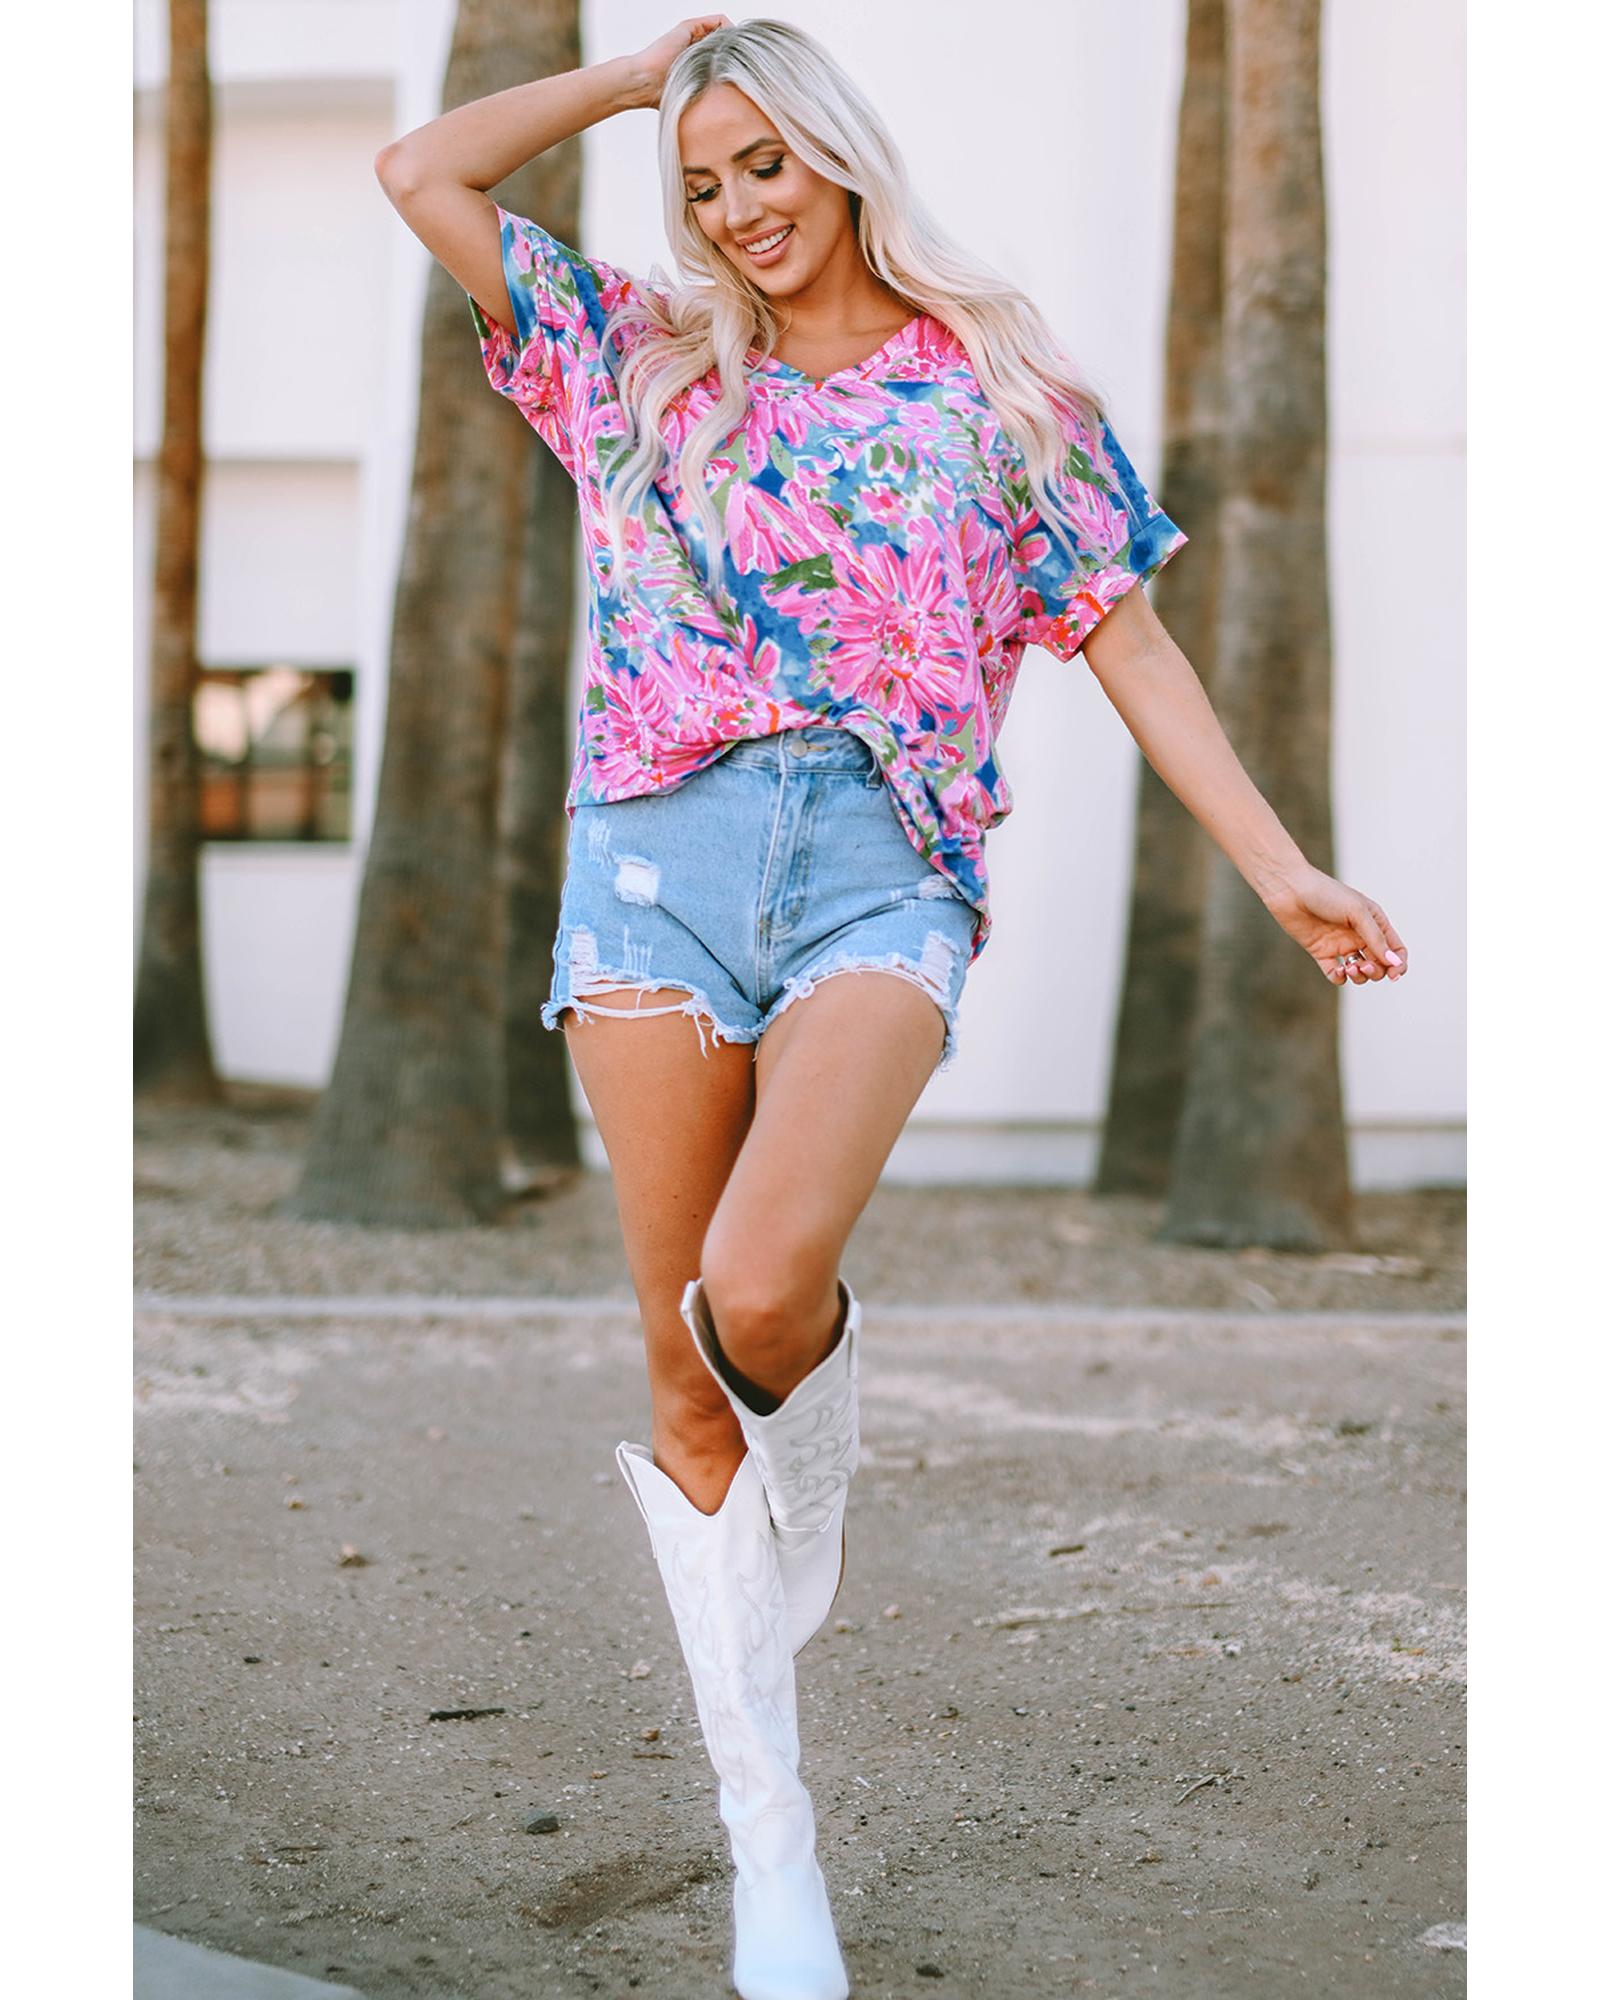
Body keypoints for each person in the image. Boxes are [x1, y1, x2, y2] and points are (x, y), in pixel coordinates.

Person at [375, 17, 1409, 1996]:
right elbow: (422, 172)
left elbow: (1128, 643)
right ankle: (770, 1848)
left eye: (763, 163)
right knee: (681, 1369)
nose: (735, 210)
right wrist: (642, 80)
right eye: (702, 185)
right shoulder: (636, 359)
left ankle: (815, 1466)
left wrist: (1280, 865)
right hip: (654, 867)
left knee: (758, 1294)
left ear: (837, 153)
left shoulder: (999, 381)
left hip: (881, 866)